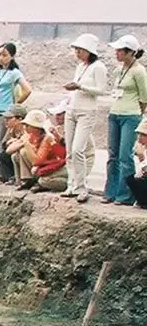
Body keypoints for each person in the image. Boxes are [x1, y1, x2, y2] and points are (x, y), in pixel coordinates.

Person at [61, 33, 108, 201]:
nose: (78, 53)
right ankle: (71, 184)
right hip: (72, 109)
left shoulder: (99, 67)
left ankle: (81, 186)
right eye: (77, 50)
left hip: (87, 111)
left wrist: (80, 86)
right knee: (69, 151)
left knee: (77, 149)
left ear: (89, 51)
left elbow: (102, 90)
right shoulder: (80, 66)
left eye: (81, 50)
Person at [106, 35, 146, 204]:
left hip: (130, 115)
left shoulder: (139, 71)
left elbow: (144, 96)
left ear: (130, 53)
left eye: (120, 51)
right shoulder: (119, 70)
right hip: (115, 113)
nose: (117, 53)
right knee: (113, 155)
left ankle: (125, 194)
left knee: (125, 155)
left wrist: (139, 113)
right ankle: (111, 192)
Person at [0, 43, 26, 182]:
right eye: (0, 54)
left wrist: (15, 106)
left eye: (5, 55)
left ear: (12, 56)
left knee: (1, 143)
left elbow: (27, 89)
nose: (1, 58)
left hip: (5, 111)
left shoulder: (14, 73)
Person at [15, 110, 66, 192]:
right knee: (21, 153)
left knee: (43, 180)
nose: (25, 128)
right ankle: (28, 180)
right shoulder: (33, 136)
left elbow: (37, 161)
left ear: (35, 127)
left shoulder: (47, 138)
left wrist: (26, 144)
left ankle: (41, 183)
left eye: (27, 125)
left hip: (57, 166)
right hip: (48, 164)